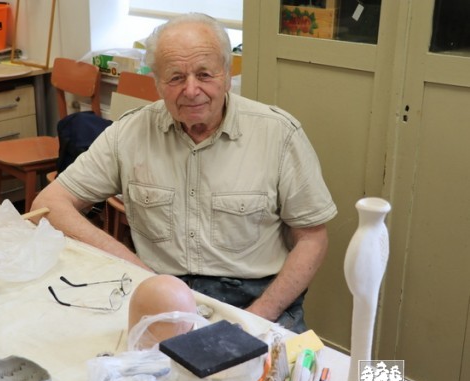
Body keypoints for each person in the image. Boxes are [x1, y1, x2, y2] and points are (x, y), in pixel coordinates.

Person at [32, 13, 337, 333]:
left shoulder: (279, 134)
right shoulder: (129, 133)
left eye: (204, 74)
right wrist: (136, 270)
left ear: (227, 74)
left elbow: (312, 239)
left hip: (256, 301)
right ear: (157, 83)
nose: (191, 90)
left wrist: (254, 317)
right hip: (161, 295)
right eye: (176, 78)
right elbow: (49, 204)